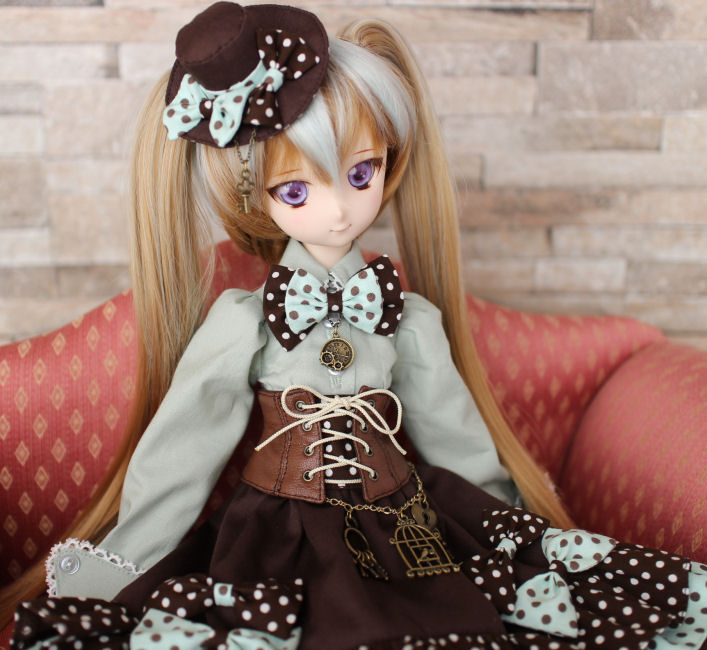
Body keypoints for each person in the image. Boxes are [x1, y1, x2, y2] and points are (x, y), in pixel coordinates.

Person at [4, 2, 707, 648]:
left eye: (361, 173)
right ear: (253, 193)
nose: (338, 209)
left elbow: (455, 434)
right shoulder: (244, 322)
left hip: (407, 525)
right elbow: (184, 450)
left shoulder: (407, 317)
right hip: (279, 530)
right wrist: (127, 559)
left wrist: (508, 524)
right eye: (297, 189)